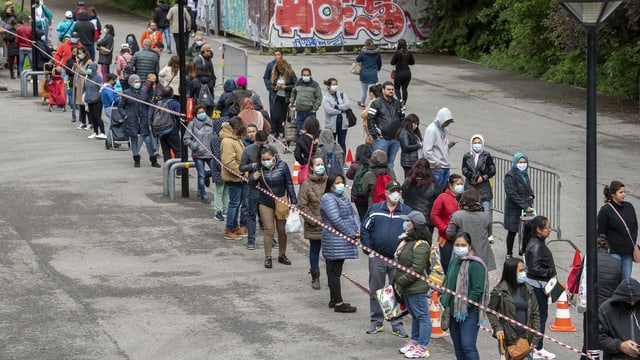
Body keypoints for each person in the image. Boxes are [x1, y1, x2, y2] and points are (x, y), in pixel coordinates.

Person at [361, 180, 411, 337]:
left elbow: (412, 233)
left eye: (399, 190)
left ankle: (397, 324)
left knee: (398, 291)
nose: (396, 193)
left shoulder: (406, 212)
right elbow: (365, 229)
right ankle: (376, 322)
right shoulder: (375, 210)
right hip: (377, 257)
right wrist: (368, 249)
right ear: (386, 193)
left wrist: (405, 252)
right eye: (393, 190)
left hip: (398, 260)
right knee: (376, 289)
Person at [440, 231, 490, 360]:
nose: (460, 248)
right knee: (458, 346)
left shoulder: (476, 265)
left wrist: (464, 305)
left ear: (469, 246)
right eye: (457, 244)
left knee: (468, 346)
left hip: (469, 312)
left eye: (463, 245)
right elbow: (448, 283)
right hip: (452, 312)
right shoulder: (454, 262)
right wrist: (444, 299)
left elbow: (477, 290)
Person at [394, 211, 433, 359]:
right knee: (415, 316)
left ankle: (422, 346)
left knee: (422, 316)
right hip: (407, 287)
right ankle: (414, 340)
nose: (405, 224)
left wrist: (401, 281)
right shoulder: (409, 240)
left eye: (408, 221)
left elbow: (416, 268)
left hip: (416, 287)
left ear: (414, 224)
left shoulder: (421, 245)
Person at [320, 172, 360, 313]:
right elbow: (336, 220)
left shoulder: (342, 197)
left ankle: (334, 298)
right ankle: (338, 303)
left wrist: (358, 228)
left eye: (341, 182)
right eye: (336, 183)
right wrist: (351, 233)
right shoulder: (328, 199)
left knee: (335, 270)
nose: (340, 185)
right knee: (334, 271)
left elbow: (352, 213)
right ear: (330, 185)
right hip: (334, 240)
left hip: (342, 239)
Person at [251, 147, 297, 268]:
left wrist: (293, 201)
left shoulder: (283, 166)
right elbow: (251, 185)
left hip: (281, 201)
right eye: (263, 159)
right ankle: (268, 257)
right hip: (265, 203)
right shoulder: (258, 168)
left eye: (268, 159)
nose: (266, 161)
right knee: (269, 230)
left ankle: (282, 254)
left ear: (274, 157)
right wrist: (253, 178)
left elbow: (289, 183)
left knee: (282, 230)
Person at [488, 257, 541, 360]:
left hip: (526, 340)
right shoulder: (500, 291)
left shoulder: (528, 289)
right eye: (520, 271)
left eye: (524, 270)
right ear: (511, 273)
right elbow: (490, 312)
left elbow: (535, 314)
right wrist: (498, 328)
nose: (523, 273)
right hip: (508, 341)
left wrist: (536, 338)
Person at [578, 237, 622, 360]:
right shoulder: (617, 263)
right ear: (609, 248)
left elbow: (579, 278)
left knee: (588, 342)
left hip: (591, 306)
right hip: (609, 308)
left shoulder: (588, 259)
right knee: (608, 341)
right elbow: (620, 285)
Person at [523, 215, 557, 360]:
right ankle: (537, 347)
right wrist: (549, 272)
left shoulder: (537, 242)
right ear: (539, 230)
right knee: (540, 317)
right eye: (547, 227)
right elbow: (534, 268)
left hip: (538, 285)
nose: (550, 230)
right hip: (538, 286)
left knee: (538, 317)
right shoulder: (536, 245)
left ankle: (536, 345)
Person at [239, 130, 279, 250]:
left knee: (268, 215)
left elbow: (279, 164)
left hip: (268, 186)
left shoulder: (272, 149)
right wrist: (252, 166)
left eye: (264, 143)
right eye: (259, 143)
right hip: (254, 186)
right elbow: (241, 167)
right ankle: (251, 240)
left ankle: (271, 238)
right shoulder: (248, 150)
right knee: (252, 213)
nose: (262, 146)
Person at [298, 155, 328, 289]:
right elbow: (302, 206)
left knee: (330, 252)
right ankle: (315, 276)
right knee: (315, 250)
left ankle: (332, 277)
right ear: (311, 167)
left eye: (322, 164)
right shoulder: (307, 184)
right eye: (317, 164)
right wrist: (314, 221)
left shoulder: (330, 181)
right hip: (314, 225)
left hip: (330, 225)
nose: (320, 167)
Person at [598, 180, 639, 280]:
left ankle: (624, 296)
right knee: (613, 279)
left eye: (624, 192)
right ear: (613, 194)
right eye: (621, 192)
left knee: (626, 280)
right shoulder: (605, 210)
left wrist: (633, 242)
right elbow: (600, 232)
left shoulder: (629, 207)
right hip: (613, 252)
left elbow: (635, 226)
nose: (624, 194)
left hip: (628, 252)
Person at [447, 189, 496, 271]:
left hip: (461, 255)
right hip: (482, 256)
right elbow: (488, 234)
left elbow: (450, 234)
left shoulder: (457, 216)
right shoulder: (486, 217)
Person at [461, 134, 496, 243]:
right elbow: (464, 170)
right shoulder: (467, 156)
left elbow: (492, 170)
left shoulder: (487, 155)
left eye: (479, 142)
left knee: (486, 212)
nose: (477, 145)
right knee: (470, 209)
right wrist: (474, 177)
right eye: (475, 143)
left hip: (484, 187)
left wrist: (483, 177)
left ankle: (488, 233)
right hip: (471, 186)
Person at [118, 74, 158, 168]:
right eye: (135, 82)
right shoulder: (126, 93)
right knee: (134, 140)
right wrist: (125, 116)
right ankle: (136, 159)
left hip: (144, 119)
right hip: (131, 120)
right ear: (131, 83)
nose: (138, 83)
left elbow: (148, 104)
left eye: (139, 81)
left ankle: (153, 159)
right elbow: (121, 107)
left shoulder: (144, 92)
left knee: (148, 140)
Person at [598, 278, 640, 360]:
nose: (632, 303)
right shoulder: (606, 310)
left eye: (635, 300)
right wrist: (620, 346)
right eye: (627, 301)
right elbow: (598, 337)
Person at [220, 117, 248, 240]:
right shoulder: (227, 141)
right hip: (235, 177)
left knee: (237, 203)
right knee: (234, 204)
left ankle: (235, 227)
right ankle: (229, 229)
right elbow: (228, 162)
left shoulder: (235, 139)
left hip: (240, 177)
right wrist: (241, 172)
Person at [431, 174, 464, 274]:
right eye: (458, 184)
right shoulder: (442, 198)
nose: (460, 186)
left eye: (462, 184)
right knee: (446, 265)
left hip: (462, 238)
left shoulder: (465, 198)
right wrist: (444, 228)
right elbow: (434, 215)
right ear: (450, 185)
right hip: (446, 238)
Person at [504, 152, 535, 258]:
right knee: (512, 231)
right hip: (514, 207)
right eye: (520, 162)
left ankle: (523, 251)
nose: (522, 164)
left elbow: (528, 188)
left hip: (525, 207)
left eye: (524, 162)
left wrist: (531, 196)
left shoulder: (525, 174)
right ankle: (509, 253)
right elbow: (511, 192)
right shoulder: (510, 175)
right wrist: (524, 205)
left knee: (525, 231)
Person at [367, 81, 403, 170]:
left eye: (392, 89)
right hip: (381, 140)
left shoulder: (398, 103)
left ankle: (388, 181)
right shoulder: (376, 103)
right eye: (388, 89)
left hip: (395, 139)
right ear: (383, 90)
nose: (391, 91)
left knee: (390, 164)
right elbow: (370, 119)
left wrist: (400, 134)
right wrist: (375, 134)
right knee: (378, 164)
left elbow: (402, 118)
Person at [184, 104, 214, 204]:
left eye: (203, 112)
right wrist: (194, 145)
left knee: (215, 170)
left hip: (210, 153)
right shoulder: (192, 124)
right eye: (199, 113)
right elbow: (186, 139)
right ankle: (203, 195)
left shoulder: (211, 122)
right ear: (195, 114)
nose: (202, 114)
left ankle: (207, 175)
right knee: (200, 175)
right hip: (198, 154)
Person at [402, 158, 441, 234]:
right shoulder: (432, 185)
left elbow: (403, 196)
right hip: (426, 220)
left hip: (410, 217)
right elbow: (438, 199)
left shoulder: (407, 182)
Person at [423, 107, 456, 191]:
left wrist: (448, 145)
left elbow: (441, 145)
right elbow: (427, 150)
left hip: (445, 165)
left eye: (449, 122)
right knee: (435, 191)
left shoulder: (445, 129)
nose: (447, 124)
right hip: (436, 167)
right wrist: (436, 163)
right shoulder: (431, 130)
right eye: (446, 122)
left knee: (444, 191)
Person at [321, 77, 351, 154]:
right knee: (331, 145)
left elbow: (347, 105)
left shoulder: (342, 95)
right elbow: (329, 110)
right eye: (333, 84)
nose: (335, 86)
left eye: (336, 84)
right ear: (328, 86)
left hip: (343, 124)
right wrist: (341, 110)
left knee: (342, 143)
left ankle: (342, 161)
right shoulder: (325, 98)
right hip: (331, 125)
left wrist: (337, 107)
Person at [290, 67, 322, 135]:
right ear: (301, 75)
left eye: (307, 75)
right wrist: (291, 102)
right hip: (300, 113)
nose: (306, 77)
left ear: (310, 75)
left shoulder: (315, 85)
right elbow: (293, 92)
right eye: (304, 75)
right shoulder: (298, 83)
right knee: (300, 132)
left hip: (310, 113)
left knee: (311, 132)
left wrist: (314, 108)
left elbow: (319, 98)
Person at [269, 59, 296, 138]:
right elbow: (271, 84)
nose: (280, 71)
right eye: (279, 70)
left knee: (285, 117)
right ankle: (277, 132)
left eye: (282, 70)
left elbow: (295, 85)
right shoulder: (275, 74)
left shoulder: (290, 74)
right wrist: (274, 88)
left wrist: (286, 87)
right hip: (278, 97)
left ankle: (285, 132)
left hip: (286, 98)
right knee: (277, 115)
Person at [155, 86, 182, 165]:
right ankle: (179, 170)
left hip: (161, 131)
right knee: (178, 151)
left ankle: (168, 170)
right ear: (172, 94)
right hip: (172, 130)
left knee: (166, 152)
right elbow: (179, 116)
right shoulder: (174, 103)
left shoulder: (158, 103)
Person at [346, 144, 372, 220]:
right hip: (370, 195)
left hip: (358, 196)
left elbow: (348, 175)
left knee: (362, 216)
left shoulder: (355, 166)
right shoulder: (373, 164)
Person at [355, 39, 381, 108]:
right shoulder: (377, 53)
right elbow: (379, 63)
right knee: (372, 91)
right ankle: (371, 106)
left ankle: (362, 103)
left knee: (363, 90)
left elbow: (358, 59)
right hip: (373, 73)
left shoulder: (363, 52)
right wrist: (378, 70)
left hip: (364, 73)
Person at [83, 62, 106, 139]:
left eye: (90, 68)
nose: (88, 69)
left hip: (97, 101)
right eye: (88, 68)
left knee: (97, 117)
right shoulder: (87, 77)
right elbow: (85, 88)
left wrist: (98, 96)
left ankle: (102, 132)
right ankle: (95, 132)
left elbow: (101, 88)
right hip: (89, 100)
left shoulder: (98, 78)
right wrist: (85, 96)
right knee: (92, 117)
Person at [391, 39, 415, 105]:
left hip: (399, 73)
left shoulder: (397, 53)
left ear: (399, 45)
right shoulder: (409, 53)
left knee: (397, 88)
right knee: (404, 89)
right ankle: (404, 104)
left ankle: (400, 100)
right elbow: (412, 62)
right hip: (407, 73)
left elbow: (392, 62)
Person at [71, 47, 91, 130]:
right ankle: (83, 122)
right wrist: (76, 65)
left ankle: (90, 122)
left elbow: (86, 72)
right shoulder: (81, 62)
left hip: (84, 85)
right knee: (80, 105)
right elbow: (72, 71)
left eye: (81, 53)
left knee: (86, 105)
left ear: (85, 53)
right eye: (78, 53)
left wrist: (78, 67)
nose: (79, 55)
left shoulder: (89, 62)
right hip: (77, 85)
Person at [264, 49, 285, 122]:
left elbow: (291, 77)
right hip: (273, 91)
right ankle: (273, 128)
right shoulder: (270, 65)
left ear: (282, 55)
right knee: (273, 110)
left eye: (278, 55)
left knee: (283, 110)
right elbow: (266, 77)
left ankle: (282, 127)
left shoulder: (286, 65)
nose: (276, 56)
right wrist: (269, 87)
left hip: (283, 92)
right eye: (275, 55)